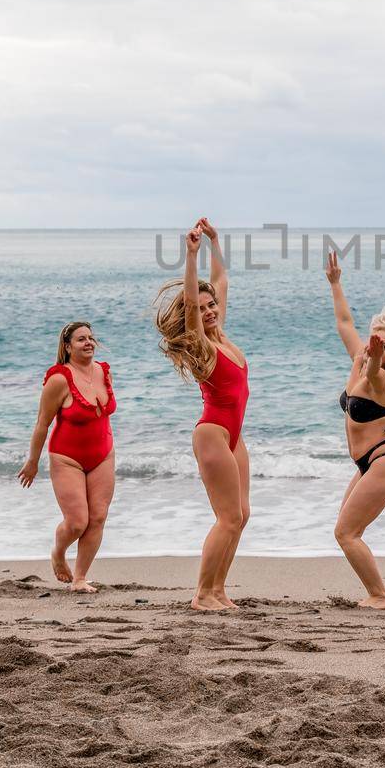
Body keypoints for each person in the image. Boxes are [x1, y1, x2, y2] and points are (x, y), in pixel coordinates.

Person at [155, 218, 250, 611]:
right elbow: (194, 302)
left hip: (233, 435)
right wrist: (190, 255)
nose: (210, 310)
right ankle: (201, 594)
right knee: (227, 517)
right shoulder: (201, 348)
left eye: (214, 306)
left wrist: (214, 241)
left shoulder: (221, 336)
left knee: (241, 516)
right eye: (205, 307)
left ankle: (219, 589)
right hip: (212, 433)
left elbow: (221, 278)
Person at [324, 250, 385, 609]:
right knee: (347, 530)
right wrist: (335, 283)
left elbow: (374, 364)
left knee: (345, 533)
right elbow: (344, 323)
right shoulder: (359, 360)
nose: (373, 344)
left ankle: (379, 596)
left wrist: (376, 355)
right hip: (368, 463)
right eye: (373, 337)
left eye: (383, 344)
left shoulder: (379, 377)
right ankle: (377, 592)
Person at [18, 320, 115, 594]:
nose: (88, 343)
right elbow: (41, 424)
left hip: (103, 455)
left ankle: (80, 578)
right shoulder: (59, 379)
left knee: (98, 517)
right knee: (77, 522)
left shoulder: (104, 372)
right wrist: (32, 462)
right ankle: (58, 553)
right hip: (66, 457)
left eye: (91, 338)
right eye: (81, 339)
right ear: (67, 346)